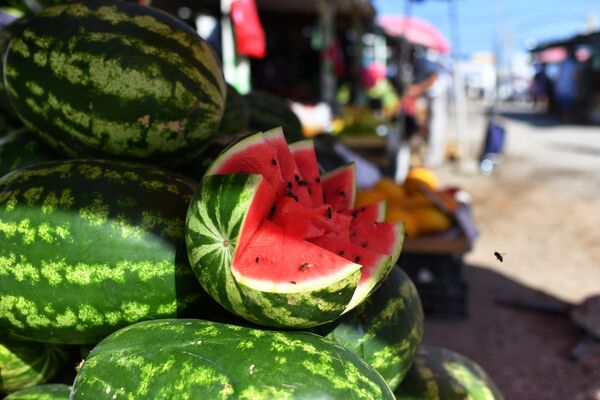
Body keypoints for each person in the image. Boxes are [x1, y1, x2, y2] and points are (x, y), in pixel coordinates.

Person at [554, 47, 581, 123]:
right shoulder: (572, 63)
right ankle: (567, 118)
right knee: (568, 104)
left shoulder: (562, 63)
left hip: (562, 86)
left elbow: (557, 75)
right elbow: (576, 75)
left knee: (565, 104)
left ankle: (565, 118)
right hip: (569, 86)